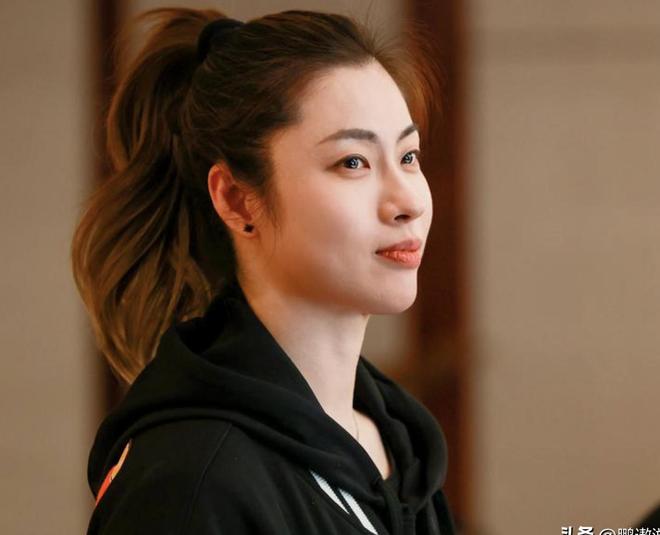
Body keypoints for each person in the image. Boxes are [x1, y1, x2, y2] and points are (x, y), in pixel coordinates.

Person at [71, 6, 455, 534]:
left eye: (408, 156)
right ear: (236, 199)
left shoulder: (398, 446)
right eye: (353, 162)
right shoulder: (191, 482)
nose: (407, 201)